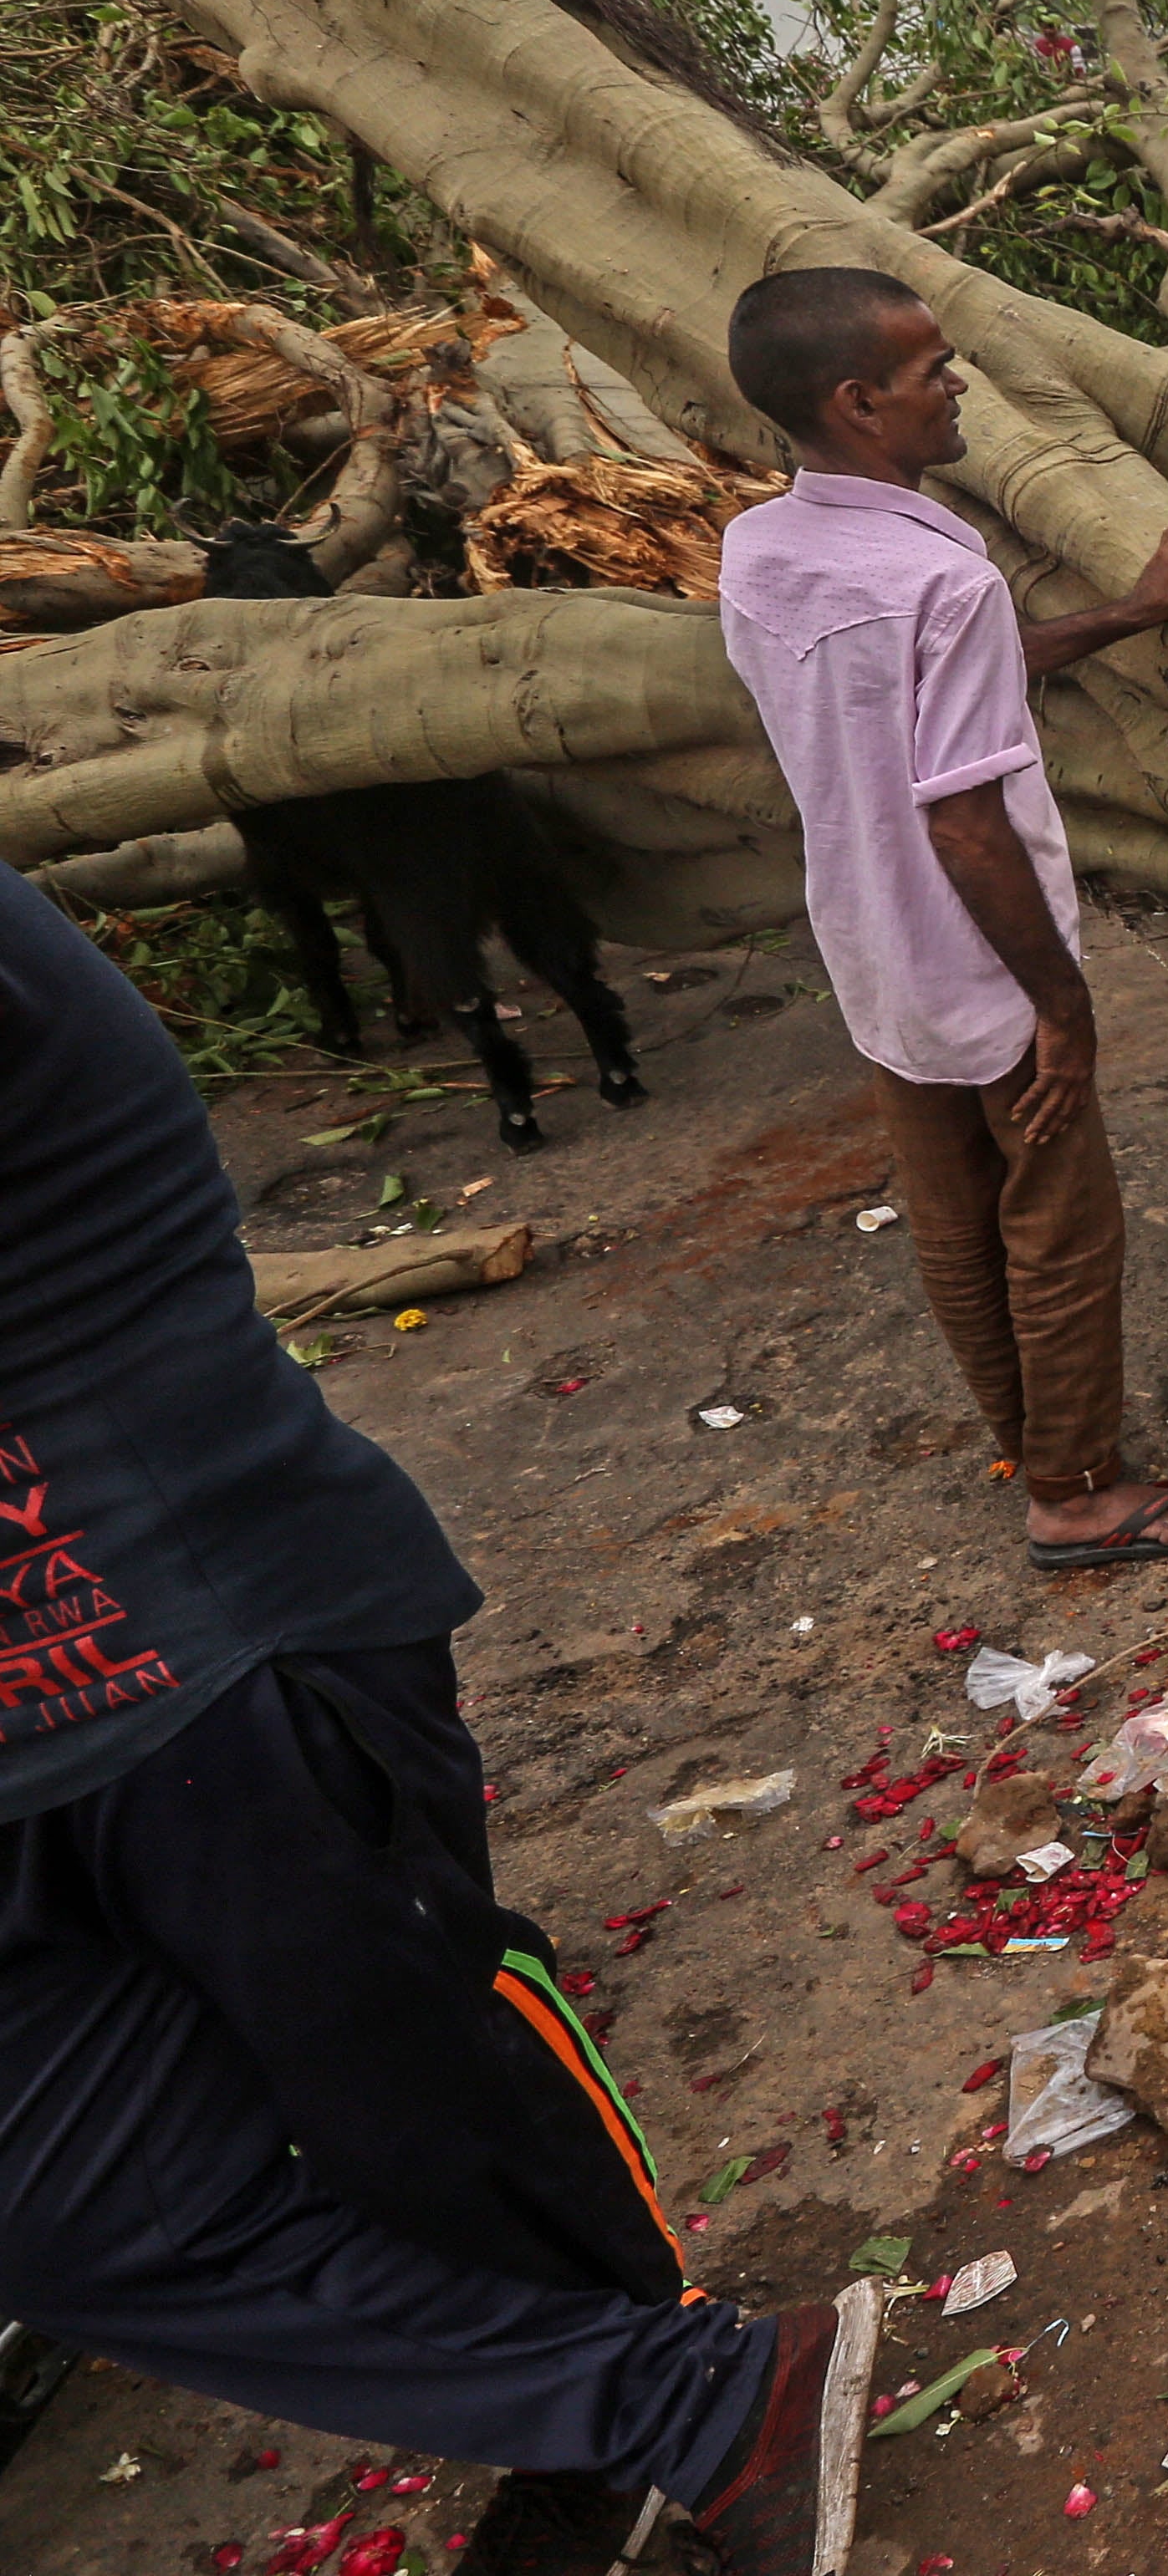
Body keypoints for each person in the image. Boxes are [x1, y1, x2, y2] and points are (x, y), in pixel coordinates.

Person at [0, 862, 876, 2576]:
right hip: (38, 1754)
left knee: (436, 2106)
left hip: (220, 1662)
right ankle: (637, 2400)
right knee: (62, 2212)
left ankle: (676, 2406)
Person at [715, 268, 1168, 1577]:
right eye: (931, 371)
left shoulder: (765, 551)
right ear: (860, 403)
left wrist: (1132, 611)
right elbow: (964, 815)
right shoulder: (936, 581)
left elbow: (918, 696)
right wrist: (1062, 1004)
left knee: (955, 1214)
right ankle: (1077, 1492)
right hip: (979, 958)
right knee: (1060, 1221)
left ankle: (1028, 1441)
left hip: (869, 946)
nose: (956, 386)